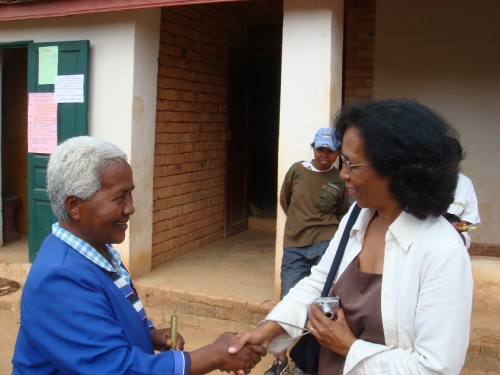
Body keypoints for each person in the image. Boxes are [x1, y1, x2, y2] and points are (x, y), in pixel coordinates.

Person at [229, 99, 473, 374]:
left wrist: (349, 347)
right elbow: (320, 283)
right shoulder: (358, 216)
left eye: (351, 164)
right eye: (342, 161)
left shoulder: (442, 252)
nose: (343, 174)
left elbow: (436, 367)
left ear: (397, 170)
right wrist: (268, 330)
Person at [12, 136, 266, 374]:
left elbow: (105, 321)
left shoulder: (97, 251)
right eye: (119, 197)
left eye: (130, 193)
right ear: (75, 205)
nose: (130, 207)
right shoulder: (60, 277)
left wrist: (148, 335)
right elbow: (116, 369)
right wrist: (214, 355)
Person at [265, 128, 349, 375]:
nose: (325, 155)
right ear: (313, 148)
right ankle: (280, 361)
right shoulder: (296, 171)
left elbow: (342, 211)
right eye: (321, 149)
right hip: (295, 245)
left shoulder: (338, 180)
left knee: (322, 304)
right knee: (287, 301)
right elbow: (285, 200)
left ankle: (310, 361)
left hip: (325, 243)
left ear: (337, 154)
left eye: (331, 151)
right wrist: (300, 223)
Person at [444, 137, 481, 249]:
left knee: (454, 245)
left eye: (454, 164)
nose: (451, 168)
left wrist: (457, 226)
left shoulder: (465, 183)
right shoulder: (426, 180)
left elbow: (470, 217)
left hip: (457, 235)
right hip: (429, 231)